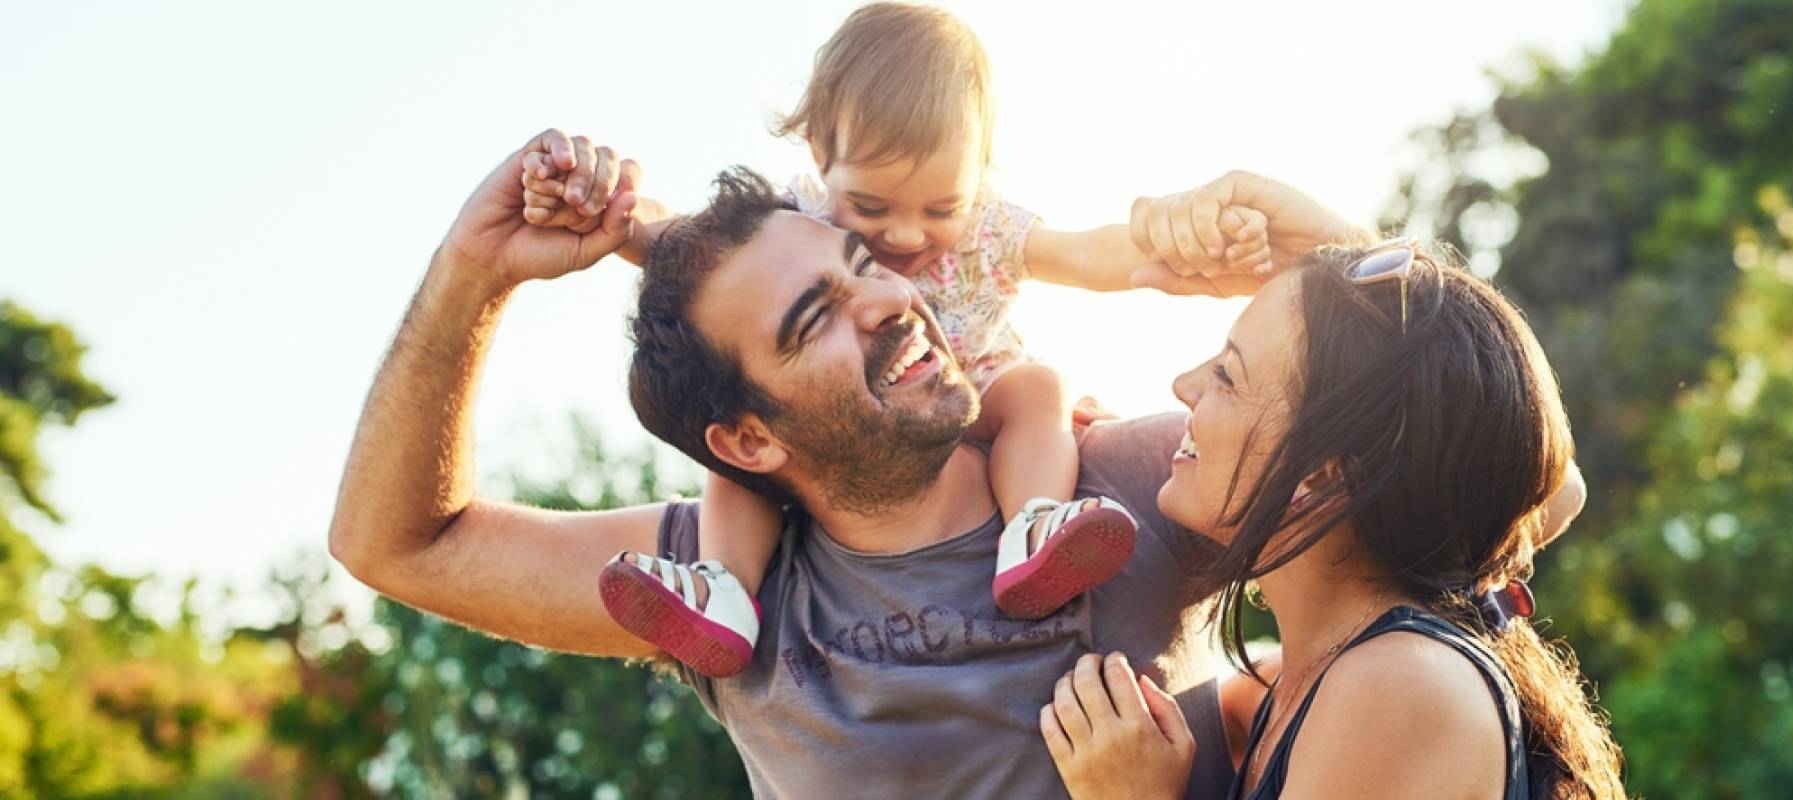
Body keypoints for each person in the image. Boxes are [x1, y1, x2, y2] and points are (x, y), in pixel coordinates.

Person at [329, 127, 1291, 797]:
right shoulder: (723, 590)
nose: (888, 301)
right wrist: (474, 269)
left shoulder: (1131, 486)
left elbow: (1384, 435)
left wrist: (1315, 247)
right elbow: (399, 544)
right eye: (813, 320)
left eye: (863, 266)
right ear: (749, 442)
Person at [515, 2, 1273, 678]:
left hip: (974, 395)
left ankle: (1035, 525)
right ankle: (725, 590)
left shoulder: (988, 229)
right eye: (872, 207)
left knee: (1039, 388)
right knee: (747, 454)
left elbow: (1084, 254)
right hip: (855, 424)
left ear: (979, 171)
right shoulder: (798, 221)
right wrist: (600, 205)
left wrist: (1179, 244)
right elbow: (677, 240)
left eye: (940, 207)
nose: (907, 235)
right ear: (820, 154)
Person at [1038, 173, 1625, 797]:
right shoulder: (1303, 685)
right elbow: (1533, 484)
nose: (1185, 384)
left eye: (1228, 375)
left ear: (1321, 472)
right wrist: (1353, 272)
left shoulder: (1396, 687)